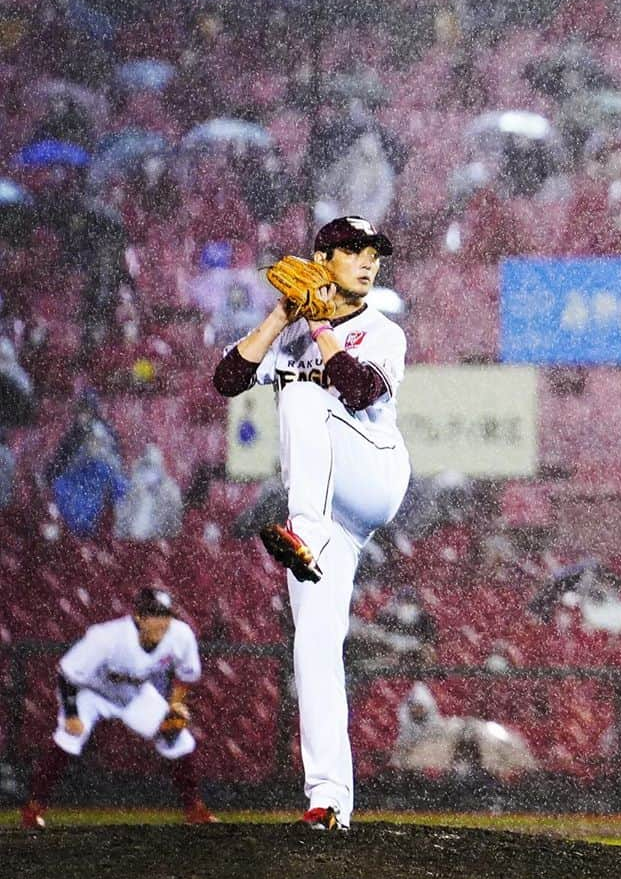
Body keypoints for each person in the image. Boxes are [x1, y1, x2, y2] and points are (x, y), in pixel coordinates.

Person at [211, 215, 410, 831]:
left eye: (373, 251)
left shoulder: (383, 330)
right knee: (314, 647)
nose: (368, 260)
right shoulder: (292, 333)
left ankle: (303, 530)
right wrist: (280, 317)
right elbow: (227, 380)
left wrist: (319, 323)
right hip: (327, 524)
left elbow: (354, 390)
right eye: (353, 249)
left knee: (302, 395)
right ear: (321, 258)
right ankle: (329, 801)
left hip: (372, 473)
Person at [20, 587, 217, 828]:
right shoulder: (106, 637)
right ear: (138, 617)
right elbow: (67, 674)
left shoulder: (180, 635)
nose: (161, 621)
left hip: (134, 693)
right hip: (92, 692)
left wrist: (174, 705)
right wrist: (71, 713)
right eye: (154, 614)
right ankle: (33, 809)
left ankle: (195, 810)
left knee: (176, 735)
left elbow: (186, 675)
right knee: (70, 736)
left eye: (166, 615)